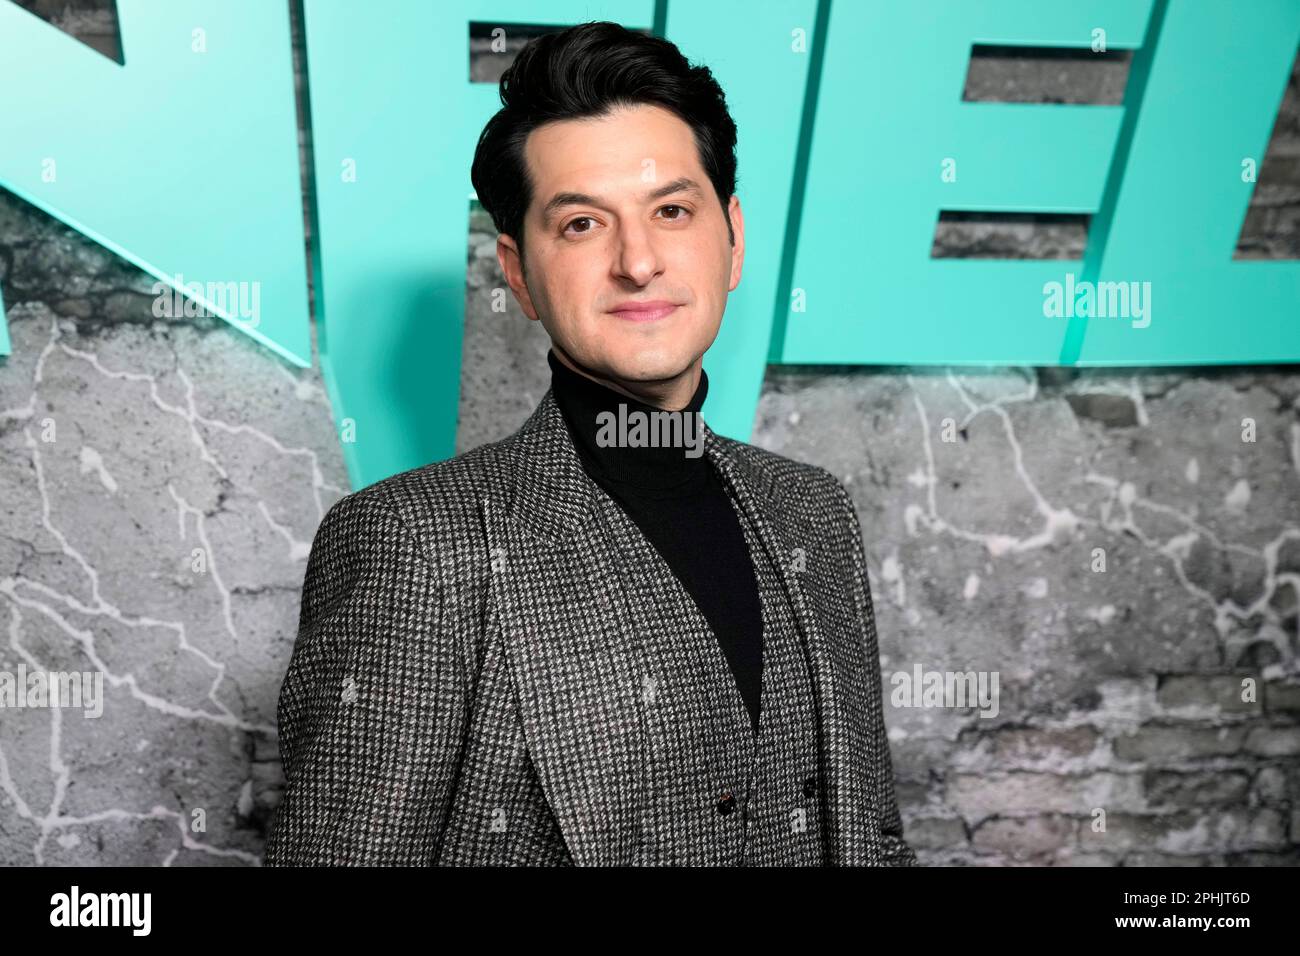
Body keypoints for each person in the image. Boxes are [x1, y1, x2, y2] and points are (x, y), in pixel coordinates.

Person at [264, 19, 916, 867]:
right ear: (518, 272)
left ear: (734, 239)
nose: (638, 262)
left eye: (672, 211)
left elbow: (874, 836)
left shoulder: (815, 512)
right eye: (581, 225)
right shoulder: (413, 543)